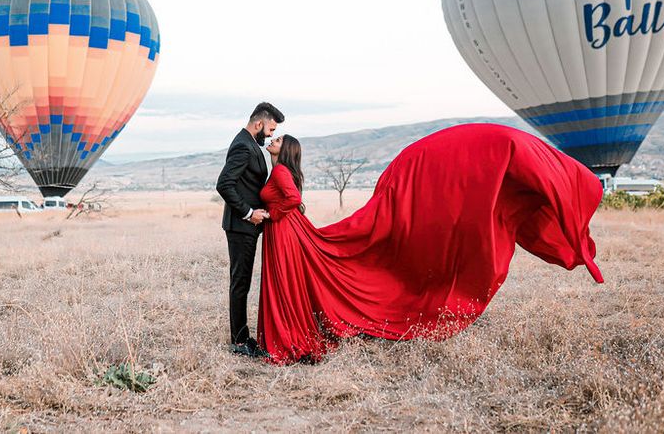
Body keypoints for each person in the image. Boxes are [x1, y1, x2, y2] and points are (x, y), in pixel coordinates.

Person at [254, 123, 605, 365]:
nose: (273, 139)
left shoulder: (282, 173)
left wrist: (269, 215)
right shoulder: (279, 170)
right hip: (286, 230)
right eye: (274, 135)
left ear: (286, 150)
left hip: (283, 229)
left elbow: (291, 198)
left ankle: (290, 332)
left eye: (277, 138)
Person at [216, 101, 285, 357]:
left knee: (242, 281)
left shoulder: (248, 144)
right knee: (240, 282)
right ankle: (239, 342)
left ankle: (242, 336)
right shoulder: (243, 147)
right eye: (269, 130)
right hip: (240, 225)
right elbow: (224, 184)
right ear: (259, 123)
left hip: (247, 227)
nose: (270, 136)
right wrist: (248, 212)